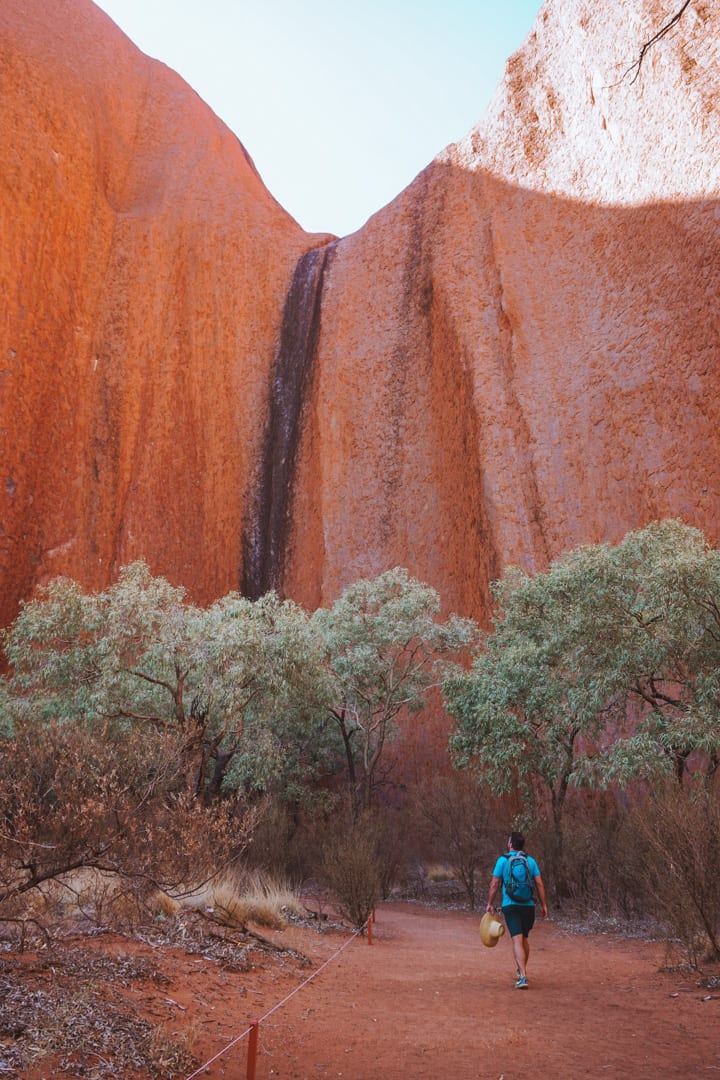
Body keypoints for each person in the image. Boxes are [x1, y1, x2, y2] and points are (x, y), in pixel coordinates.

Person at [486, 831, 548, 989]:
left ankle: (523, 976)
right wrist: (543, 904)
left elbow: (494, 884)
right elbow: (539, 884)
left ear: (510, 844)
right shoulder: (530, 861)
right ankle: (522, 971)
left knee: (517, 940)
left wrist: (490, 903)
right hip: (528, 905)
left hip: (511, 905)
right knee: (525, 938)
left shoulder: (502, 860)